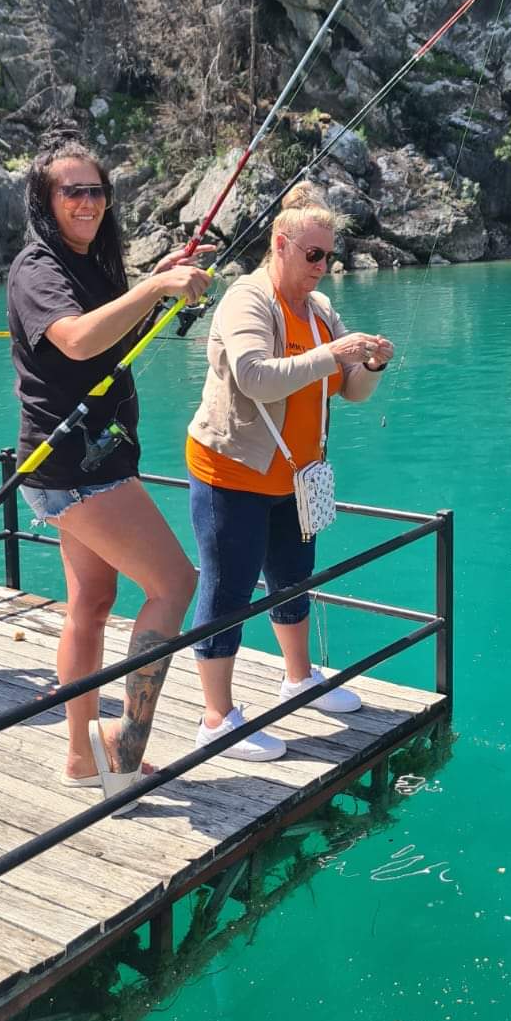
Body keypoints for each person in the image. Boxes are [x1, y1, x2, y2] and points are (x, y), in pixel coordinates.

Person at [7, 136, 212, 808]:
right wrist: (155, 284)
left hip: (89, 463)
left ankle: (79, 759)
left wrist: (161, 288)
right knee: (175, 582)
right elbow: (75, 338)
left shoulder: (90, 265)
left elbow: (111, 334)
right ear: (45, 200)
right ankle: (123, 757)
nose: (89, 202)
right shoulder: (38, 269)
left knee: (92, 605)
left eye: (96, 190)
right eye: (73, 192)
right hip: (74, 469)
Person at [186, 182, 394, 760]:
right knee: (227, 590)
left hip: (296, 478)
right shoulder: (246, 301)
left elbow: (350, 393)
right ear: (281, 245)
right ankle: (216, 717)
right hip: (232, 473)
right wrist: (334, 353)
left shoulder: (321, 310)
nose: (323, 268)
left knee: (294, 575)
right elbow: (254, 376)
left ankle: (298, 679)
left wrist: (369, 363)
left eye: (329, 257)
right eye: (313, 256)